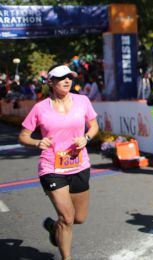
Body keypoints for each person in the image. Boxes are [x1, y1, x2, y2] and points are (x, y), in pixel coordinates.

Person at [18, 65, 99, 260]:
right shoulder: (40, 108)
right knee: (67, 218)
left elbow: (94, 125)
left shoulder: (82, 101)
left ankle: (54, 227)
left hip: (79, 165)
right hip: (52, 168)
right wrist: (37, 142)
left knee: (79, 218)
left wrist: (86, 138)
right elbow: (23, 136)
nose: (67, 80)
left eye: (69, 77)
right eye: (61, 77)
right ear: (51, 82)